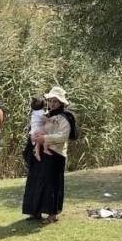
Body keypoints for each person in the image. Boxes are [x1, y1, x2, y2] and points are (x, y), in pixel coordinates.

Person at [22, 86, 76, 224]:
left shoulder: (65, 117)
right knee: (36, 181)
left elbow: (63, 136)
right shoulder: (45, 115)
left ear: (61, 103)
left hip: (55, 154)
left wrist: (45, 139)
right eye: (50, 101)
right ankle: (36, 211)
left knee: (52, 184)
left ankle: (52, 214)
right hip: (40, 153)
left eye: (55, 102)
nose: (52, 104)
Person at [28, 96, 51, 162]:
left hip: (33, 131)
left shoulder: (34, 112)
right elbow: (44, 119)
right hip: (38, 130)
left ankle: (37, 152)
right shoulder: (41, 112)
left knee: (37, 142)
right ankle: (45, 149)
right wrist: (50, 120)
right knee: (46, 136)